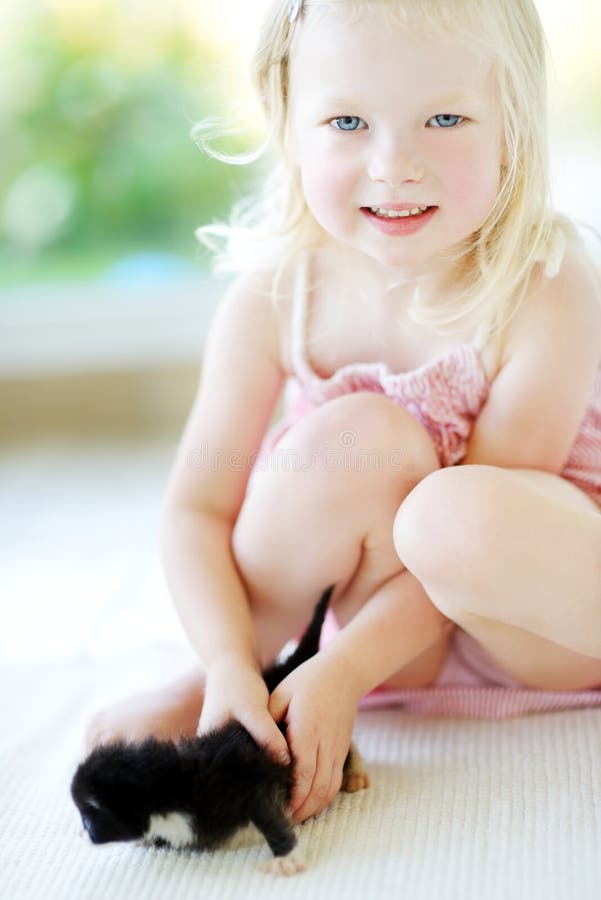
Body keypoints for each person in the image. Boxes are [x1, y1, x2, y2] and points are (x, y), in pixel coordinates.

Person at [86, 0, 601, 826]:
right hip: (391, 632)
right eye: (348, 121)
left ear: (514, 125)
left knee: (450, 515)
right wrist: (223, 661)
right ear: (289, 125)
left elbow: (477, 542)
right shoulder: (275, 296)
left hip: (540, 627)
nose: (394, 164)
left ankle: (303, 675)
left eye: (443, 118)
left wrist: (346, 669)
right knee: (352, 440)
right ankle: (250, 685)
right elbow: (197, 506)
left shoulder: (543, 280)